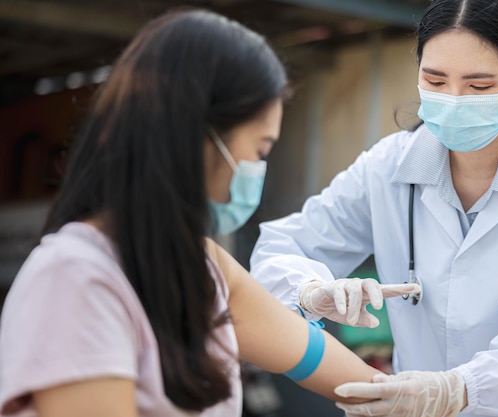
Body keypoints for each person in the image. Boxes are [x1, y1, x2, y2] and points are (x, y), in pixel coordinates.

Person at [0, 9, 420, 417]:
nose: (258, 170)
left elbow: (318, 361)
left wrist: (428, 399)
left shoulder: (200, 266)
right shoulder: (76, 277)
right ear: (195, 139)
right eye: (260, 151)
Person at [250, 0, 498, 416]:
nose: (454, 100)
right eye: (435, 80)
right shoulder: (388, 167)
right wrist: (309, 290)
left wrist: (460, 388)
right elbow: (284, 247)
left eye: (478, 87)